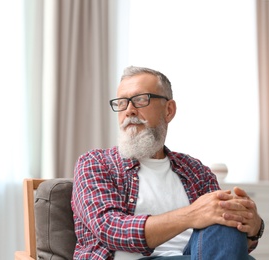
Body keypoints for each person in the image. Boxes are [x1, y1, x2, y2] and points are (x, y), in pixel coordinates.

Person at [71, 66, 265, 260]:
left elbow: (225, 242)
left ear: (169, 110)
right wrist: (191, 215)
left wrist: (252, 227)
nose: (129, 110)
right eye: (122, 103)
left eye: (140, 100)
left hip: (198, 255)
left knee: (222, 217)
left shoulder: (196, 171)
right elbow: (110, 230)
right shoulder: (96, 163)